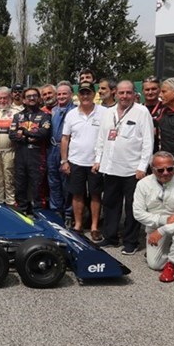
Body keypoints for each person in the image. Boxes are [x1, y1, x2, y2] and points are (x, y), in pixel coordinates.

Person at [93, 80, 153, 252]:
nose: (125, 96)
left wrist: (142, 166)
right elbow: (101, 138)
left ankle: (130, 241)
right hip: (110, 167)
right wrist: (98, 160)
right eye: (121, 92)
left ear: (134, 94)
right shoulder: (108, 113)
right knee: (110, 204)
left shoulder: (142, 112)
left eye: (128, 92)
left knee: (132, 207)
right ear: (116, 93)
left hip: (132, 170)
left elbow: (148, 141)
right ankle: (110, 237)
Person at [132, 152, 174, 283]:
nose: (166, 173)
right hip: (155, 226)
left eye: (170, 169)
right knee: (155, 265)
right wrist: (164, 220)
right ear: (152, 169)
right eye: (160, 170)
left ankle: (172, 264)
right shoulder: (142, 184)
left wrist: (162, 231)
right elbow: (138, 213)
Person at [60, 83, 106, 238]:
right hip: (75, 161)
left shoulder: (104, 112)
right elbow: (65, 139)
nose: (85, 96)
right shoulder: (71, 114)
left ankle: (94, 227)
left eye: (88, 93)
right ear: (77, 95)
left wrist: (101, 159)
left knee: (95, 195)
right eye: (82, 93)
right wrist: (64, 161)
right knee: (77, 194)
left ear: (94, 94)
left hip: (96, 162)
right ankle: (78, 225)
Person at [10, 87, 52, 213]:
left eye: (34, 96)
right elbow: (12, 135)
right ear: (24, 99)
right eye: (28, 96)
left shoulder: (45, 115)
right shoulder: (18, 116)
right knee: (20, 184)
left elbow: (44, 133)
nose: (32, 98)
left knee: (37, 184)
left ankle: (39, 212)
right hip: (21, 154)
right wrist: (30, 137)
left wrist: (25, 132)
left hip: (37, 154)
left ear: (39, 98)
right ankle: (22, 210)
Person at [48, 82, 75, 220]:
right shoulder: (53, 111)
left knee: (67, 182)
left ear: (71, 95)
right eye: (59, 94)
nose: (61, 96)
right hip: (52, 149)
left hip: (67, 149)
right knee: (53, 181)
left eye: (64, 94)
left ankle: (69, 212)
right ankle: (56, 210)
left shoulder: (75, 111)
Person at [0, 87, 18, 206]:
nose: (2, 100)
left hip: (10, 150)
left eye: (5, 98)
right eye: (0, 98)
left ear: (10, 98)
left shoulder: (16, 112)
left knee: (9, 177)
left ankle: (11, 202)